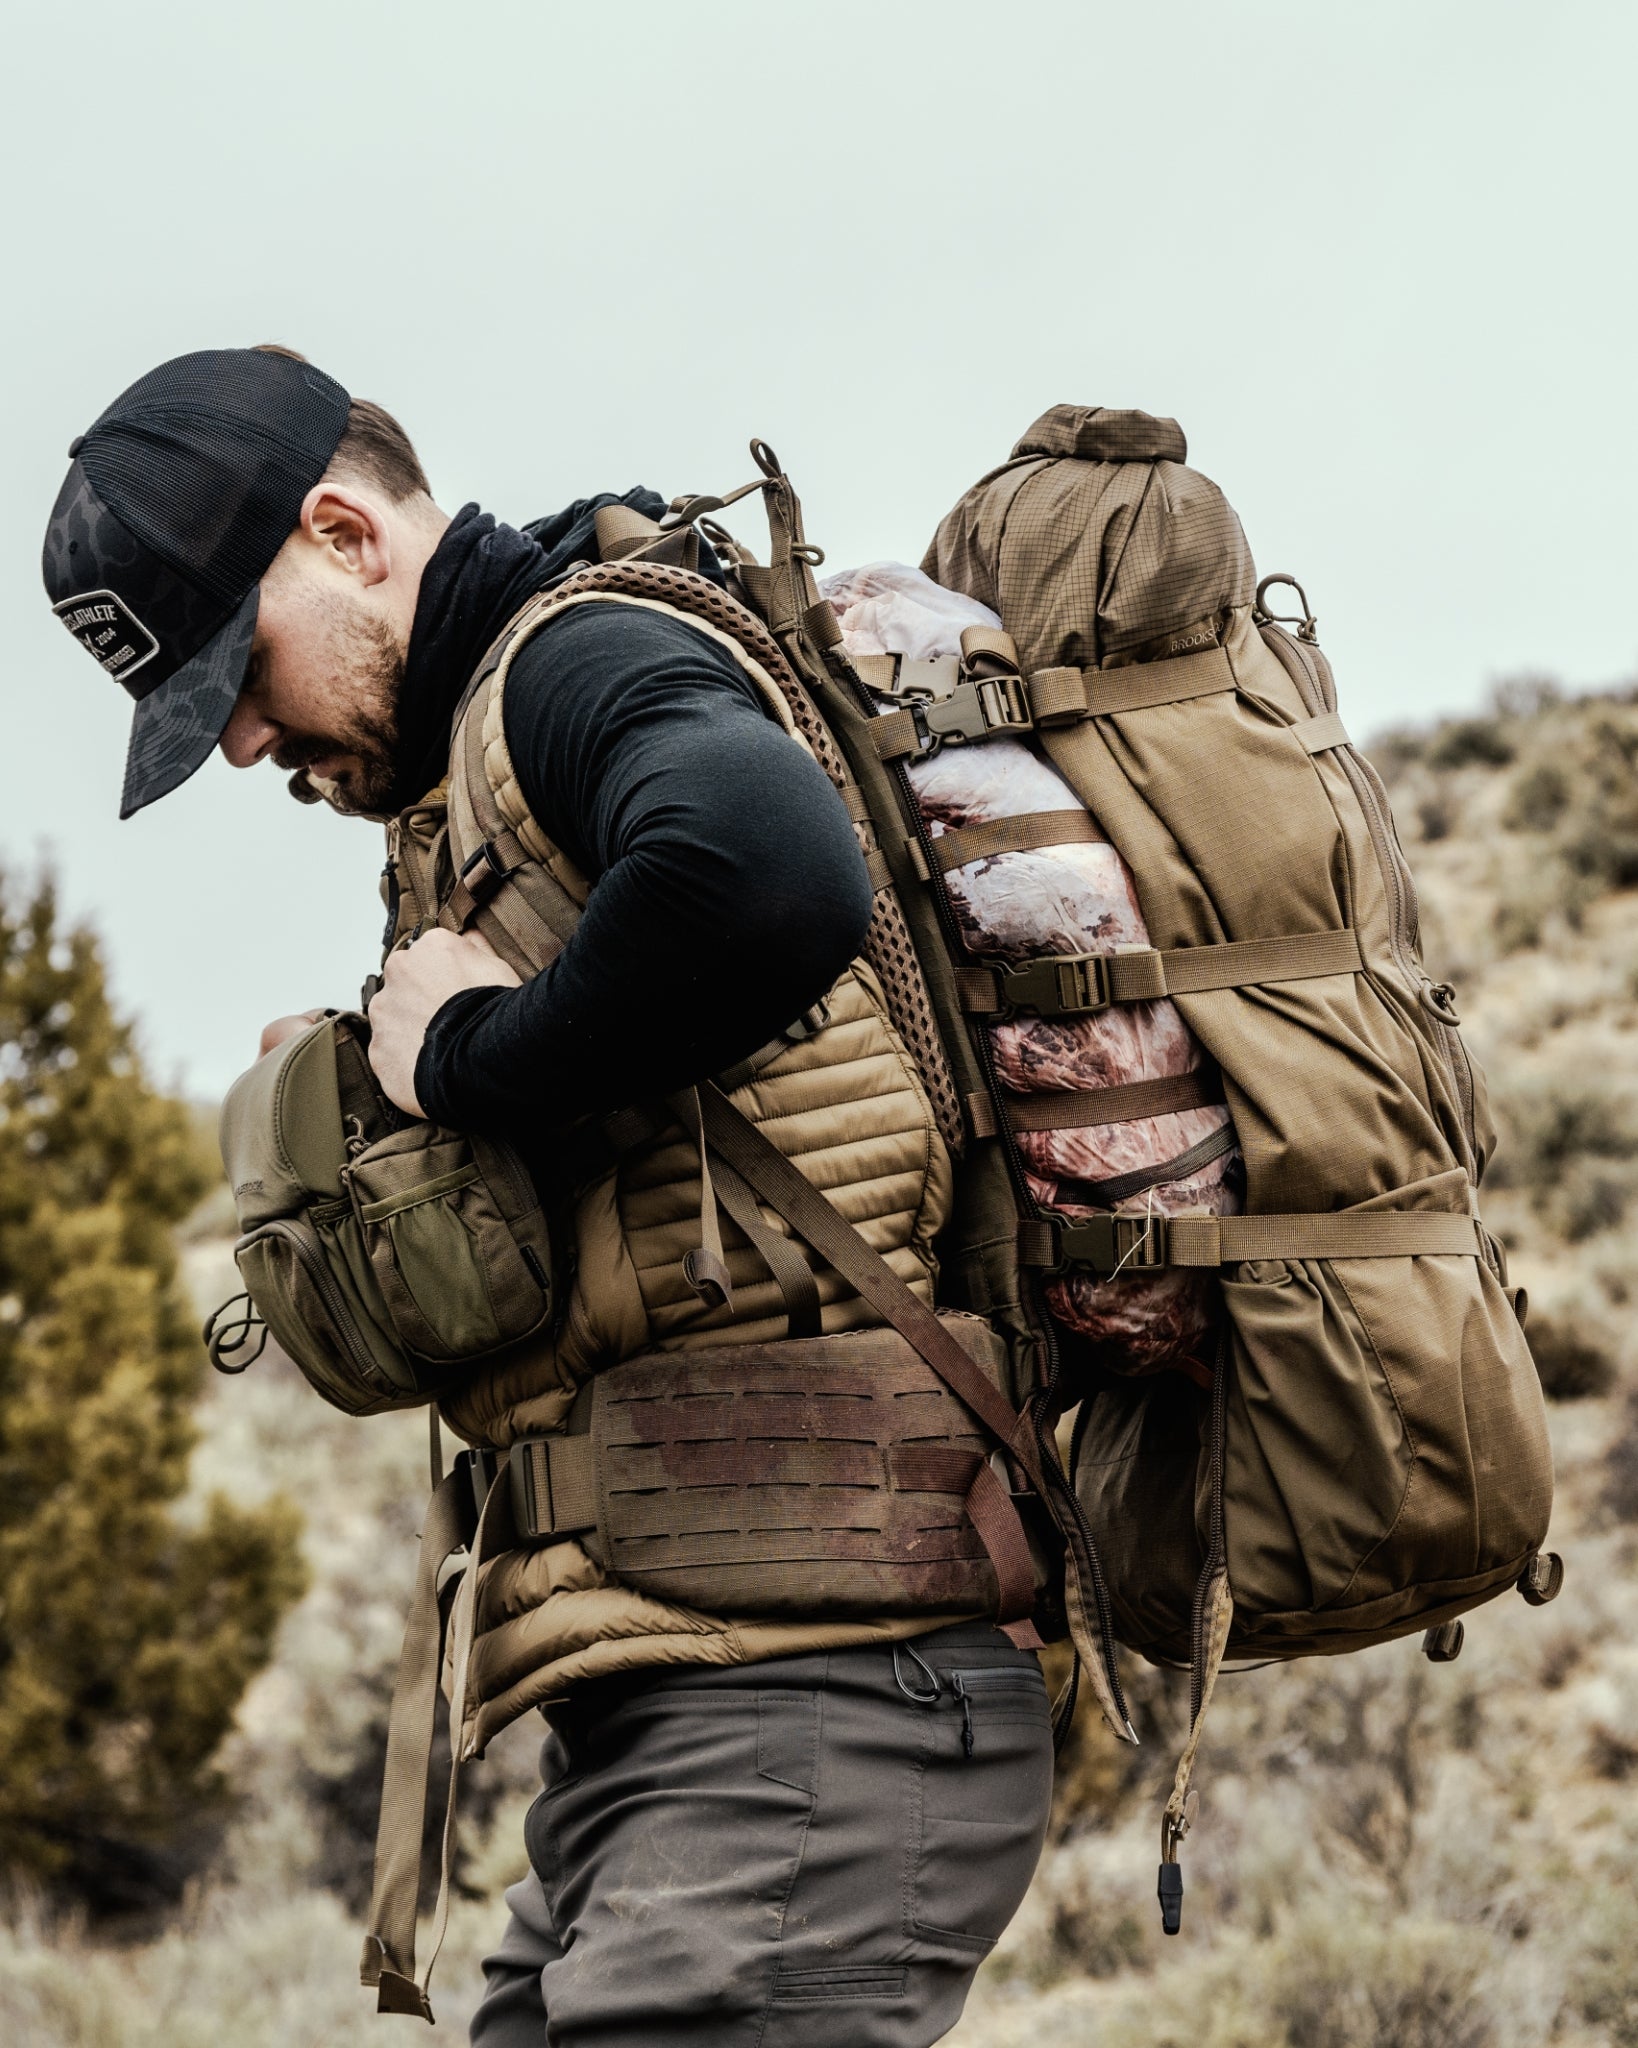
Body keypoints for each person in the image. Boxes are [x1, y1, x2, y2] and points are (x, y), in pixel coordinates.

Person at [43, 346, 1054, 2047]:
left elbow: (766, 876)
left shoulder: (576, 661)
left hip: (812, 1697)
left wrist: (463, 1060)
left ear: (346, 532)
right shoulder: (477, 781)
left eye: (238, 665)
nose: (239, 741)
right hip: (686, 1709)